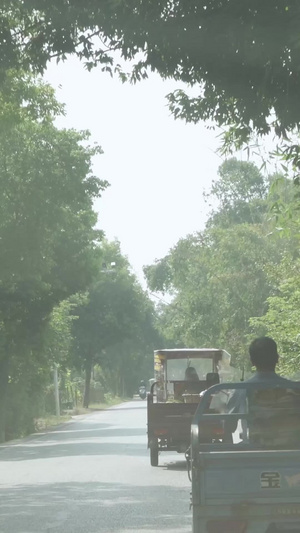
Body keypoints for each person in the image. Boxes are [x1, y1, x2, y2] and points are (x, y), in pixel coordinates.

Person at [226, 336, 293, 439]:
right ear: (277, 358)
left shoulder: (241, 389)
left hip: (253, 451)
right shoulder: (294, 389)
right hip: (291, 451)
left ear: (252, 361)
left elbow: (228, 426)